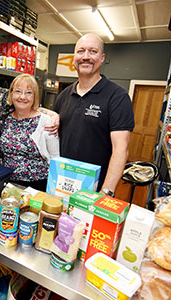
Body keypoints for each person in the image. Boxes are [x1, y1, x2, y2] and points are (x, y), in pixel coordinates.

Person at [54, 33, 134, 197]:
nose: (86, 57)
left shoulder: (117, 96)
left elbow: (121, 149)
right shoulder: (64, 95)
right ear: (74, 57)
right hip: (61, 183)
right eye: (81, 51)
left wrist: (106, 192)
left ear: (102, 57)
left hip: (95, 189)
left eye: (93, 51)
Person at [0, 74, 59, 191]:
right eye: (18, 91)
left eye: (28, 93)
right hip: (9, 183)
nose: (23, 97)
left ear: (35, 97)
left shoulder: (46, 121)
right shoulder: (5, 118)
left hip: (38, 185)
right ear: (11, 94)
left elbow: (55, 158)